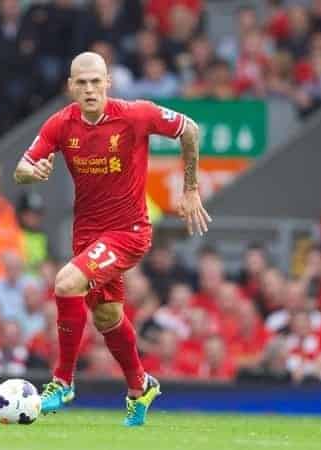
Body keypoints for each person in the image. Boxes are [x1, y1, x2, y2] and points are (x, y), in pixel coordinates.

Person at [13, 51, 210, 426]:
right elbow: (22, 167)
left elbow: (190, 129)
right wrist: (31, 172)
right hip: (88, 236)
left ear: (108, 84)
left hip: (129, 231)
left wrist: (190, 189)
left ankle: (62, 382)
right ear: (71, 87)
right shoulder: (60, 124)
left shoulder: (136, 114)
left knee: (66, 282)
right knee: (107, 317)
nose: (89, 89)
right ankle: (140, 386)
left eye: (95, 81)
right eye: (81, 83)